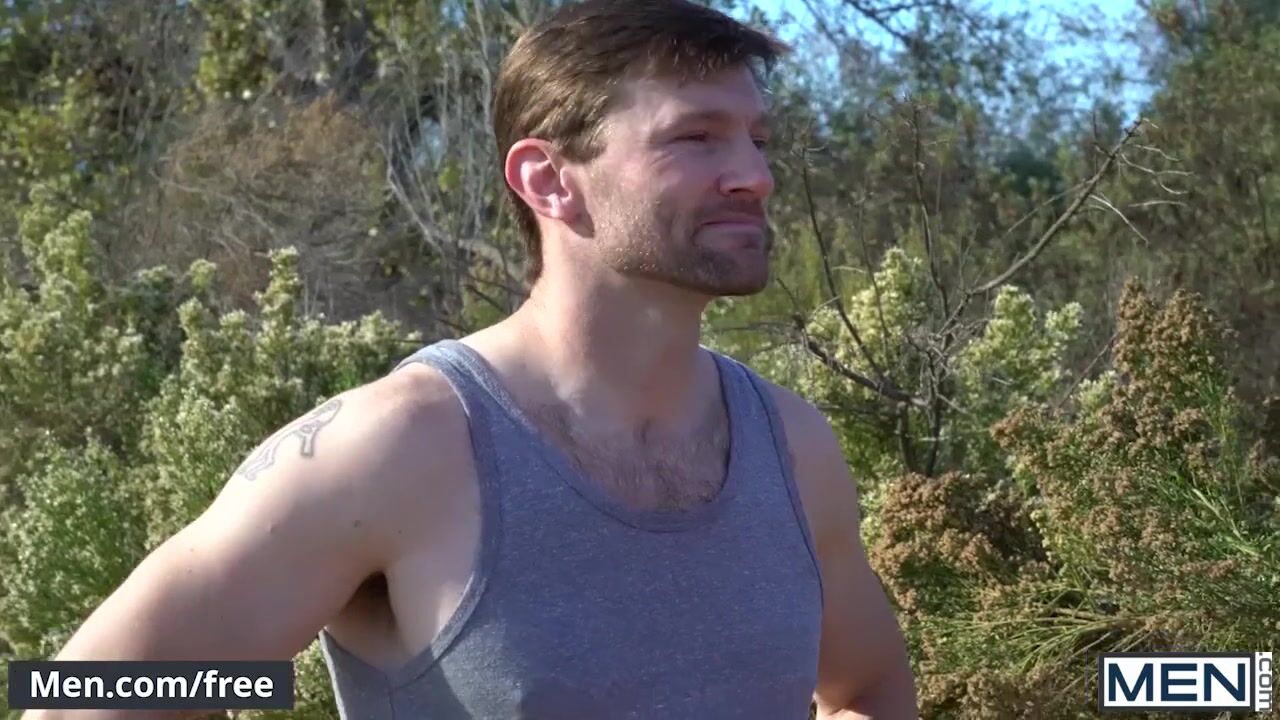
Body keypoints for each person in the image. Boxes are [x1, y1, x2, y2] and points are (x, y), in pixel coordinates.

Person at [29, 1, 918, 718]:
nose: (754, 175)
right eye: (695, 137)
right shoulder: (401, 448)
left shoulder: (790, 447)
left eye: (758, 140)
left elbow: (866, 688)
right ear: (547, 179)